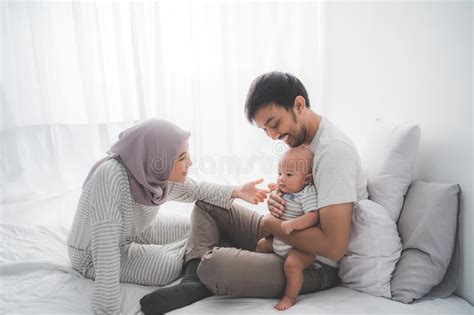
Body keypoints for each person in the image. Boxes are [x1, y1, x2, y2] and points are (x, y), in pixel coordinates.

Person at [140, 72, 368, 314]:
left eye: (274, 124)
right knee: (208, 204)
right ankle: (192, 281)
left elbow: (334, 246)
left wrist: (272, 224)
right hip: (281, 236)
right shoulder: (303, 140)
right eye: (264, 130)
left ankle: (208, 271)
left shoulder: (333, 154)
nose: (272, 136)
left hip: (310, 263)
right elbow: (300, 192)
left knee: (214, 265)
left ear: (298, 105)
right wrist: (278, 200)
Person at [67, 119, 269, 314]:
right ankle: (203, 261)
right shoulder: (110, 176)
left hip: (136, 230)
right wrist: (107, 310)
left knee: (192, 227)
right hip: (91, 254)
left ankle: (203, 254)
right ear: (157, 159)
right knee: (167, 267)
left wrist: (237, 191)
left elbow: (195, 190)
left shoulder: (150, 170)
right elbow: (105, 246)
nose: (189, 162)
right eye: (181, 158)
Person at [255, 147, 319, 310]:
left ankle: (289, 297)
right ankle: (258, 268)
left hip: (298, 247)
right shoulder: (284, 190)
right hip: (279, 239)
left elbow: (313, 216)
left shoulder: (307, 193)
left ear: (306, 180)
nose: (281, 179)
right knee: (262, 244)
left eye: (289, 175)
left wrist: (293, 224)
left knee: (292, 265)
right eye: (279, 173)